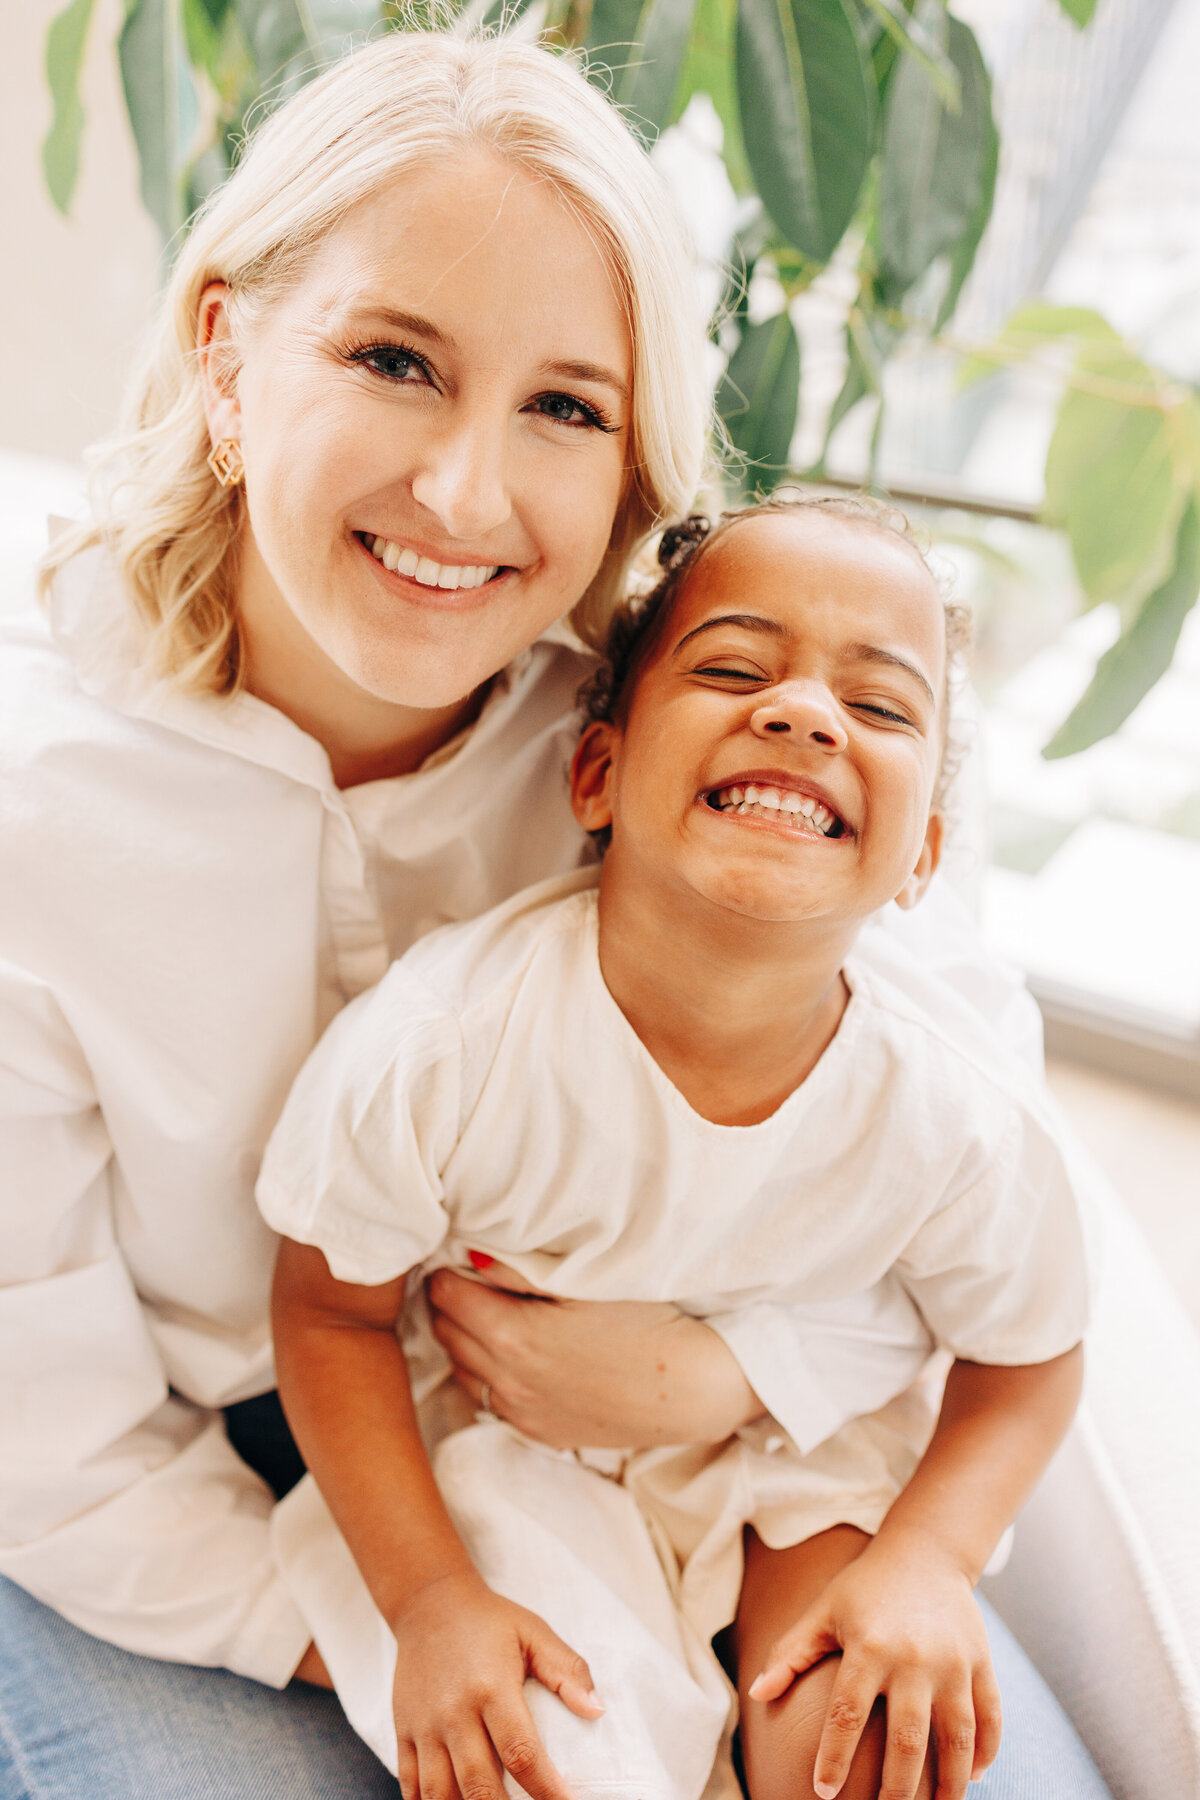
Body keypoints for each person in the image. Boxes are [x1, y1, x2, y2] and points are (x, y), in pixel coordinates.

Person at [0, 26, 1111, 1800]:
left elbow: (944, 1162)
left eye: (566, 407)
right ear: (226, 356)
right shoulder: (35, 812)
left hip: (710, 1430)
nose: (464, 493)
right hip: (198, 1473)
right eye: (391, 360)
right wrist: (398, 1621)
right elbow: (37, 1425)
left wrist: (722, 1380)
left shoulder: (722, 729)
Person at [259, 497, 1092, 1800]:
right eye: (733, 669)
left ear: (922, 851)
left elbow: (1027, 1362)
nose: (806, 714)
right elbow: (326, 1316)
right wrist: (429, 1603)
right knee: (537, 1759)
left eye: (878, 709)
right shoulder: (445, 1044)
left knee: (871, 1748)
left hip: (801, 1454)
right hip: (516, 1449)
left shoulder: (958, 1109)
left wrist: (925, 1559)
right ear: (596, 772)